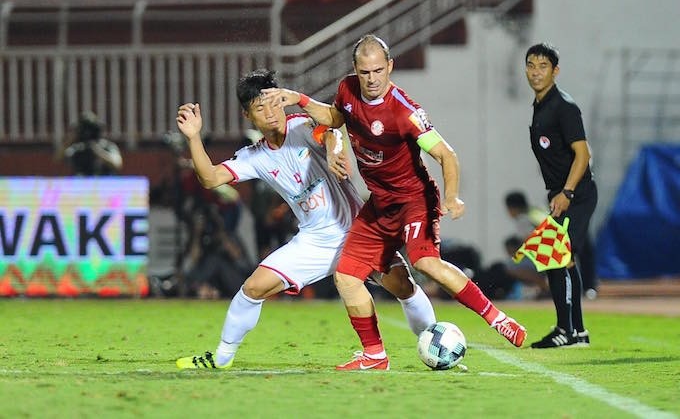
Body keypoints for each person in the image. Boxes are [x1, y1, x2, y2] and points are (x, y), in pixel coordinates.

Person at [262, 34, 526, 370]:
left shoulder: (405, 111)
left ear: (390, 67)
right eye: (364, 72)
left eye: (377, 71)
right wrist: (299, 99)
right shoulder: (347, 89)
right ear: (355, 71)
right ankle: (374, 356)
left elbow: (446, 155)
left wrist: (453, 195)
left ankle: (497, 318)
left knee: (427, 263)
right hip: (380, 205)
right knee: (346, 277)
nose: (371, 79)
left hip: (415, 200)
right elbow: (335, 118)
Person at [175, 69, 437, 369]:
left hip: (357, 230)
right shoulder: (253, 156)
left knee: (402, 286)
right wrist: (194, 138)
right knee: (252, 289)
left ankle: (433, 343)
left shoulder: (302, 125)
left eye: (274, 103)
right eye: (260, 108)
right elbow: (209, 178)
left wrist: (333, 151)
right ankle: (221, 358)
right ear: (247, 115)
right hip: (314, 242)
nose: (270, 112)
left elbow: (330, 131)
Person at [523, 42, 598, 348]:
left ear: (555, 71)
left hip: (576, 195)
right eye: (531, 65)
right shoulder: (541, 105)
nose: (536, 72)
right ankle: (577, 332)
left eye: (543, 66)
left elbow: (583, 154)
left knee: (556, 257)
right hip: (560, 195)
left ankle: (565, 331)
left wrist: (567, 192)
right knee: (559, 260)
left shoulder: (563, 106)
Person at [62, 111, 123, 175]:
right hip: (82, 181)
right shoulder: (78, 148)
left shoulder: (107, 145)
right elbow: (58, 157)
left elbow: (117, 164)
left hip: (104, 181)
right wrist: (71, 139)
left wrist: (97, 150)